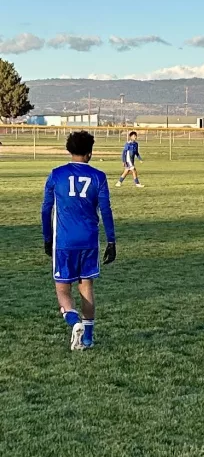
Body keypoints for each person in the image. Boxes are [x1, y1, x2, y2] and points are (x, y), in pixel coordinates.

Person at [41, 131, 117, 351]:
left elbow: (46, 209)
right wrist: (111, 241)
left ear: (69, 150)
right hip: (89, 240)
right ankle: (88, 339)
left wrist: (47, 238)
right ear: (90, 153)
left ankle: (74, 323)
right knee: (87, 288)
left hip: (64, 242)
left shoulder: (56, 174)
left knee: (63, 291)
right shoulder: (98, 176)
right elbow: (106, 209)